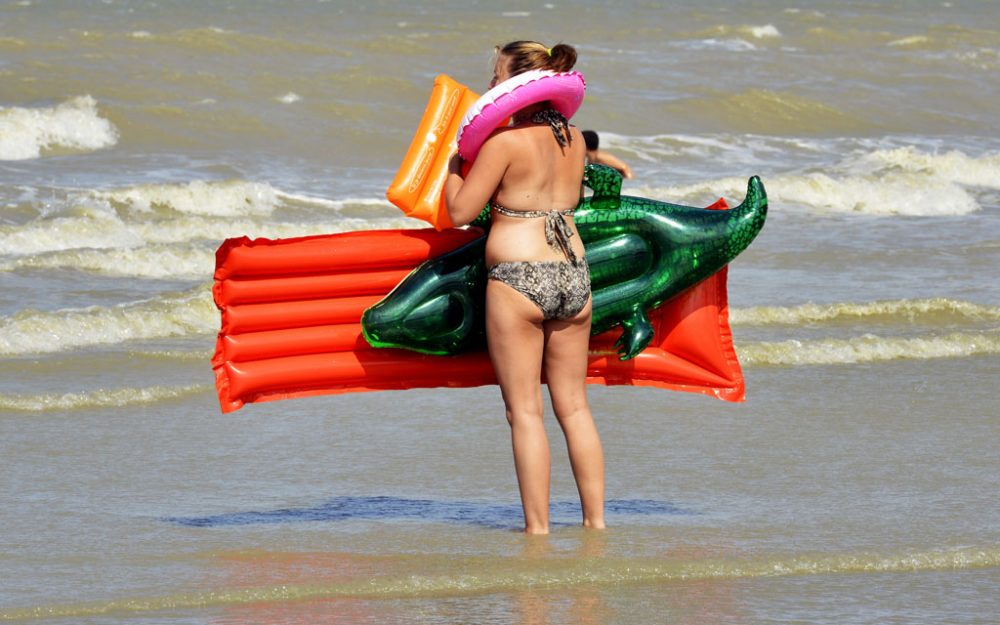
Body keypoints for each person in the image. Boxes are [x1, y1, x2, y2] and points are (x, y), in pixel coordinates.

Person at [444, 40, 605, 534]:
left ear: (515, 86)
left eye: (496, 78)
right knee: (575, 406)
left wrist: (452, 166)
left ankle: (538, 531)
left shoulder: (504, 144)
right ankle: (596, 524)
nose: (490, 86)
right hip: (574, 275)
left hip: (518, 278)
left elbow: (459, 213)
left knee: (525, 412)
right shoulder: (574, 140)